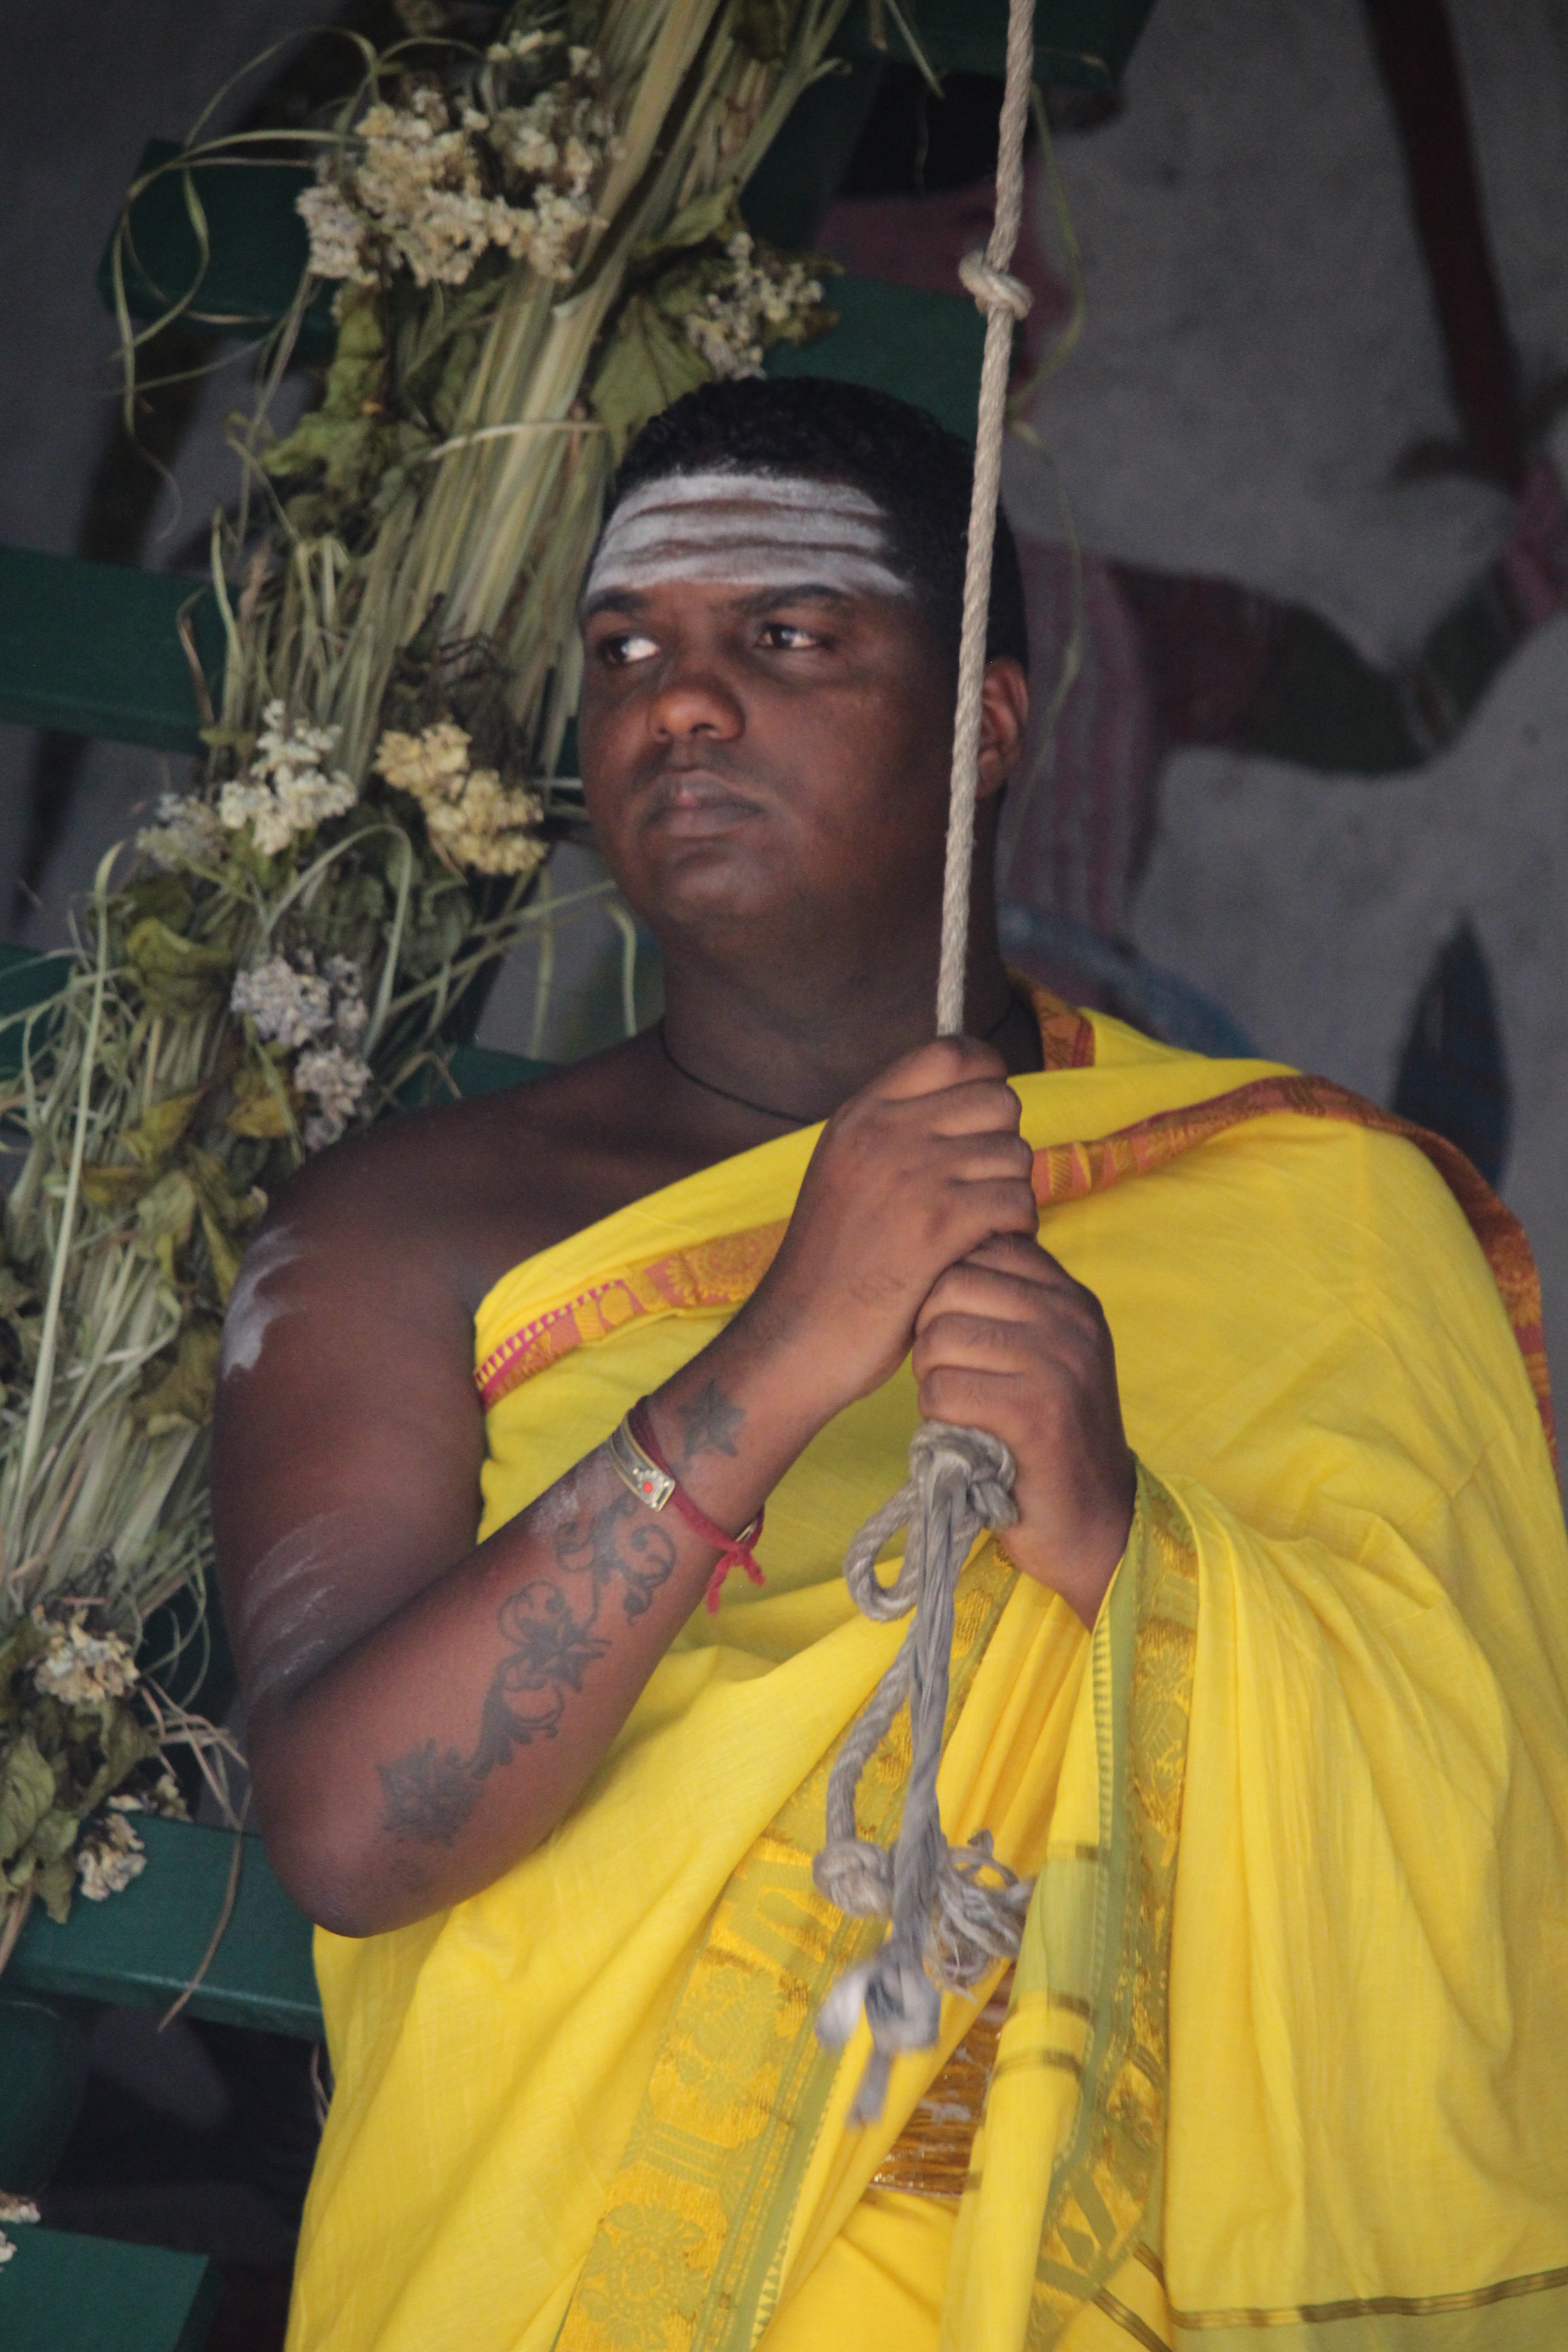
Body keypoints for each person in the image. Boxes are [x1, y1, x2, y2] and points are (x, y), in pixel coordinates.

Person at [212, 378, 1568, 2352]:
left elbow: (1491, 1830)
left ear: (991, 723)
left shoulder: (1318, 1213)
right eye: (627, 654)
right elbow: (352, 1830)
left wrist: (1128, 1553)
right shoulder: (404, 1227)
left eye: (786, 638)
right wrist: (781, 1354)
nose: (680, 703)